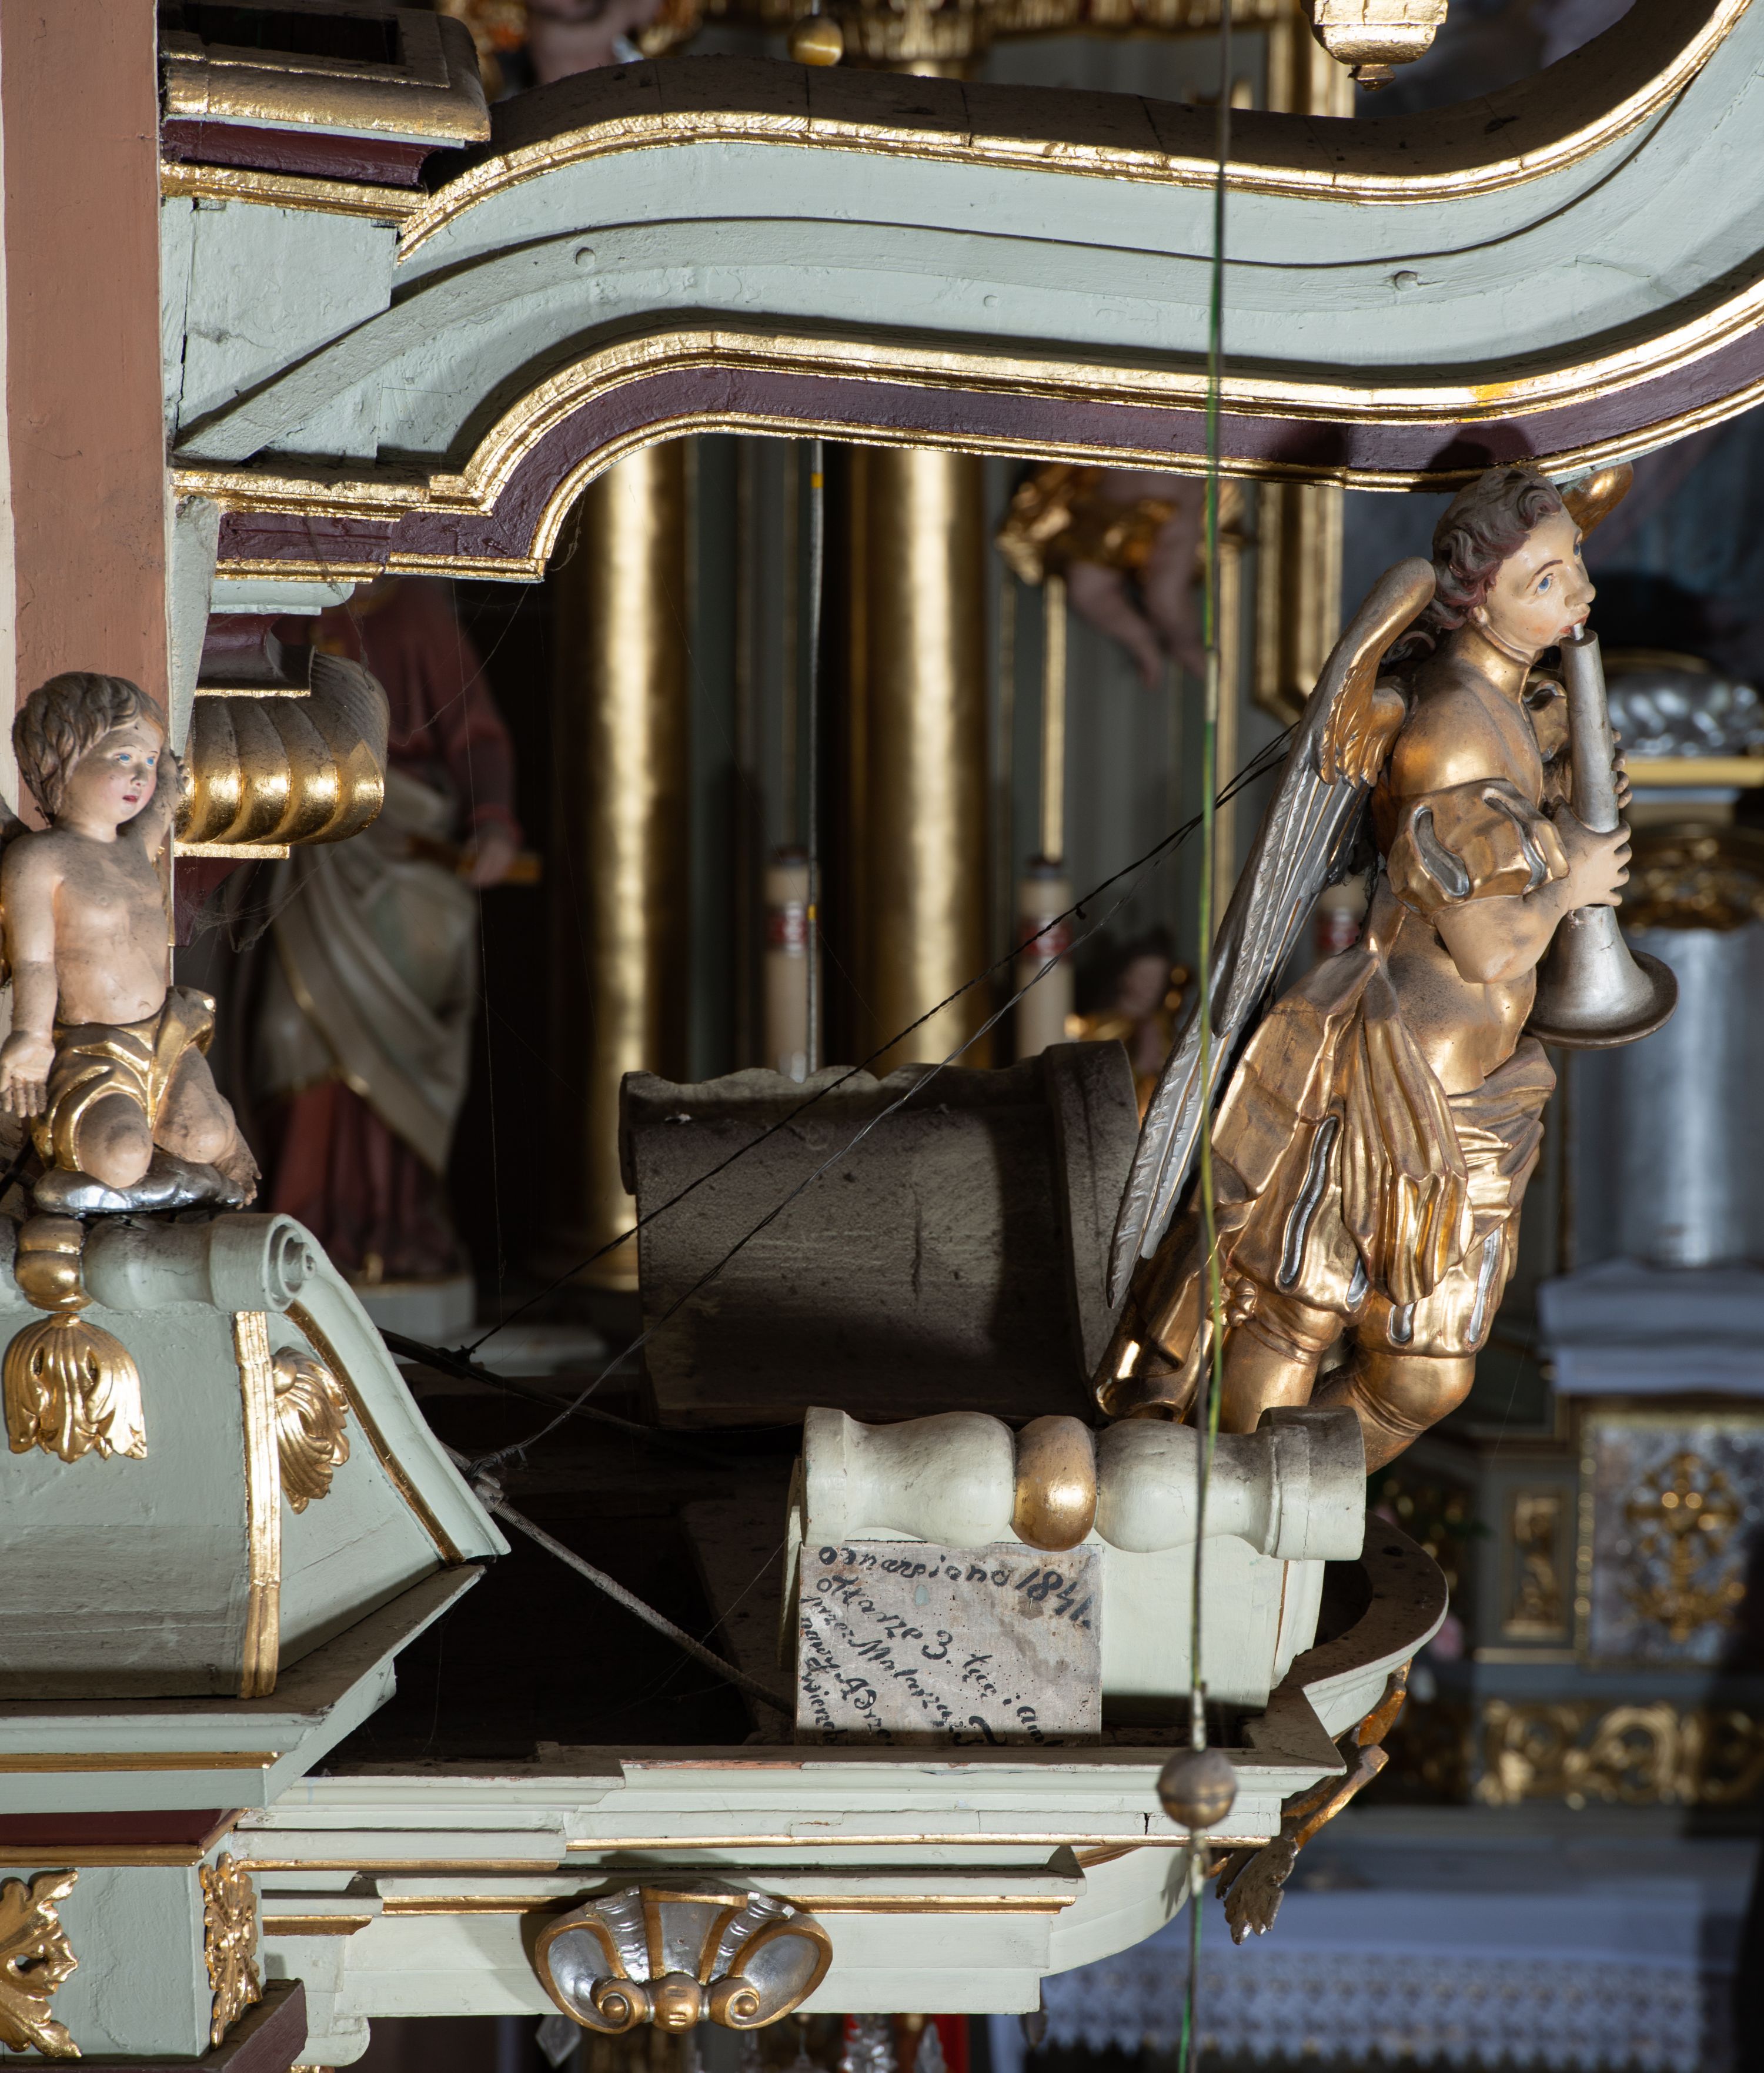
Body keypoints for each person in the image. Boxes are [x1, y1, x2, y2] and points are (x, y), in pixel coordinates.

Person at [1101, 465, 1632, 1469]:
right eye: (1549, 578)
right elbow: (1485, 945)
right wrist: (1573, 878)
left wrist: (1570, 791)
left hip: (1482, 1086)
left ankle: (1287, 1505)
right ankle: (1246, 1511)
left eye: (1574, 563)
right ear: (1478, 599)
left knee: (1429, 1376)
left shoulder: (1515, 705)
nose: (1582, 590)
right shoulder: (1451, 733)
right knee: (1295, 1314)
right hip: (1401, 1076)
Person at [253, 577, 519, 1295]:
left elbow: (478, 734)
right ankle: (307, 1221)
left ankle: (391, 1227)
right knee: (290, 1031)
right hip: (318, 849)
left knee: (398, 1056)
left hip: (407, 858)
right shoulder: (288, 602)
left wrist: (493, 823)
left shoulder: (417, 610)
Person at [0, 672, 256, 1199]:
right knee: (121, 1159)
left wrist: (169, 770)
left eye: (148, 760)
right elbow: (34, 963)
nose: (140, 775)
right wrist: (31, 1037)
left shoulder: (135, 846)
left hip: (166, 1035)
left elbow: (164, 800)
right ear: (61, 761)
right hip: (93, 1052)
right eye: (123, 757)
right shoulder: (38, 859)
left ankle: (225, 1138)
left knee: (205, 1138)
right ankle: (52, 1170)